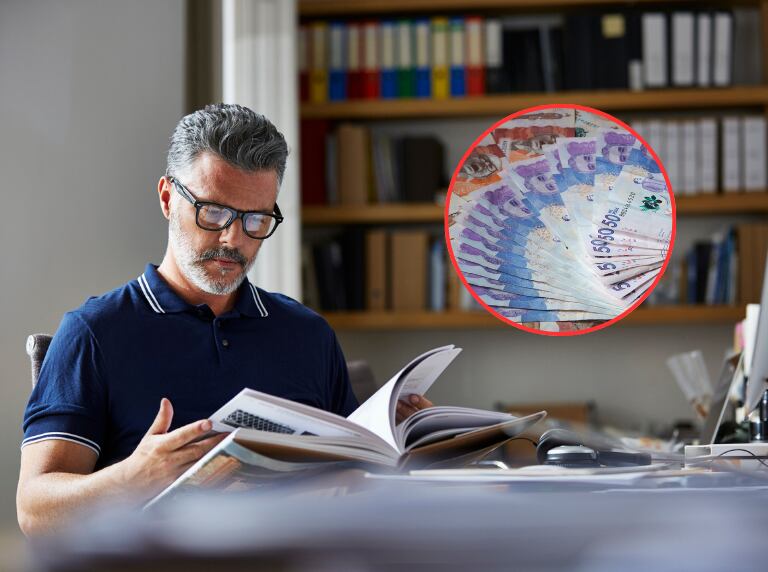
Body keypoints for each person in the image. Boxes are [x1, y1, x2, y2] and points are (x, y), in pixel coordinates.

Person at [17, 103, 431, 536]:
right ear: (166, 199)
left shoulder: (308, 334)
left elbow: (359, 482)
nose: (234, 239)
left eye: (256, 219)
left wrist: (406, 445)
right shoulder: (94, 332)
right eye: (213, 212)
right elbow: (34, 511)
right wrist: (131, 480)